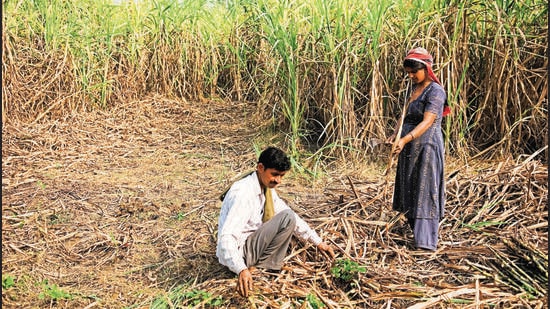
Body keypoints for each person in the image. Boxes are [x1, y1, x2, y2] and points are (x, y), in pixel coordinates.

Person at [216, 146, 335, 297]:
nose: (278, 180)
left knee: (288, 217)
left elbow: (289, 215)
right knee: (287, 219)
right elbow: (227, 237)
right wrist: (241, 269)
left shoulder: (266, 187)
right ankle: (260, 267)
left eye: (281, 176)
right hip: (240, 251)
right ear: (260, 167)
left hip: (251, 244)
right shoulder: (243, 193)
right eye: (274, 174)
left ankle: (259, 265)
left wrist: (317, 241)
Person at [389, 47, 447, 251]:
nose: (411, 76)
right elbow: (404, 115)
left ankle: (425, 243)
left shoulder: (436, 91)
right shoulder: (412, 90)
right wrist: (395, 136)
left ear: (427, 68)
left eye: (414, 72)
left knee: (425, 190)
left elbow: (429, 121)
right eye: (408, 73)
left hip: (427, 148)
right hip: (409, 148)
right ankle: (415, 233)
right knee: (409, 187)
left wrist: (405, 139)